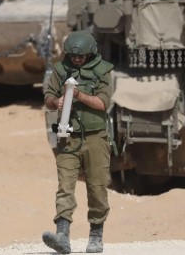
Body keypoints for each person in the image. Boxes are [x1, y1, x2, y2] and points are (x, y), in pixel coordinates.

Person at [41, 31, 114, 254]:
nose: (77, 60)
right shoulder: (60, 69)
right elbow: (48, 99)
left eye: (81, 57)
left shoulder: (103, 71)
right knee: (65, 187)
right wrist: (57, 101)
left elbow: (103, 103)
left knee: (97, 188)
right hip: (68, 138)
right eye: (73, 57)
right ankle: (62, 235)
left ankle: (96, 235)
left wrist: (78, 95)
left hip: (95, 138)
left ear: (90, 53)